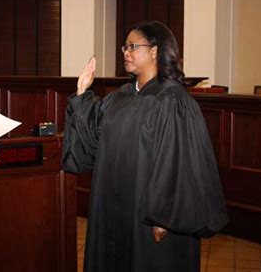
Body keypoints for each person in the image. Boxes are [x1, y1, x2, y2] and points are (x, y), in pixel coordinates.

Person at [62, 21, 229, 271]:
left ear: (155, 50)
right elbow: (94, 141)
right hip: (113, 209)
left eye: (133, 46)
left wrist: (165, 218)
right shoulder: (121, 97)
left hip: (150, 217)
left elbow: (180, 163)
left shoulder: (172, 101)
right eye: (124, 47)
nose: (126, 53)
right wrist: (82, 93)